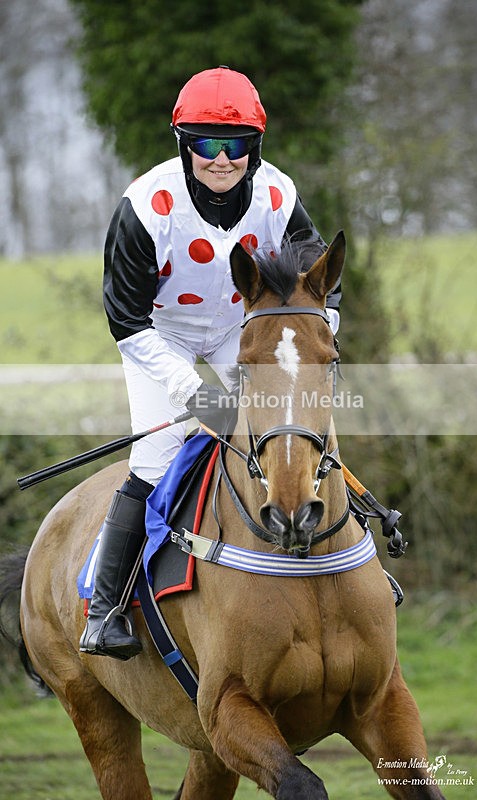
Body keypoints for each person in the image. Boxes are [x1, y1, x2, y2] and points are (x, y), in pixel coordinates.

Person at [79, 66, 341, 660]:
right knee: (154, 458)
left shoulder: (278, 194)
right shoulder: (145, 207)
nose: (221, 160)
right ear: (183, 144)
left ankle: (346, 551)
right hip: (157, 336)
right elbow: (126, 321)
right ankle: (105, 609)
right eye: (205, 144)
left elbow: (325, 291)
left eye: (237, 146)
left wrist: (307, 343)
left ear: (255, 148)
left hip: (241, 330)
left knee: (292, 426)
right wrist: (196, 396)